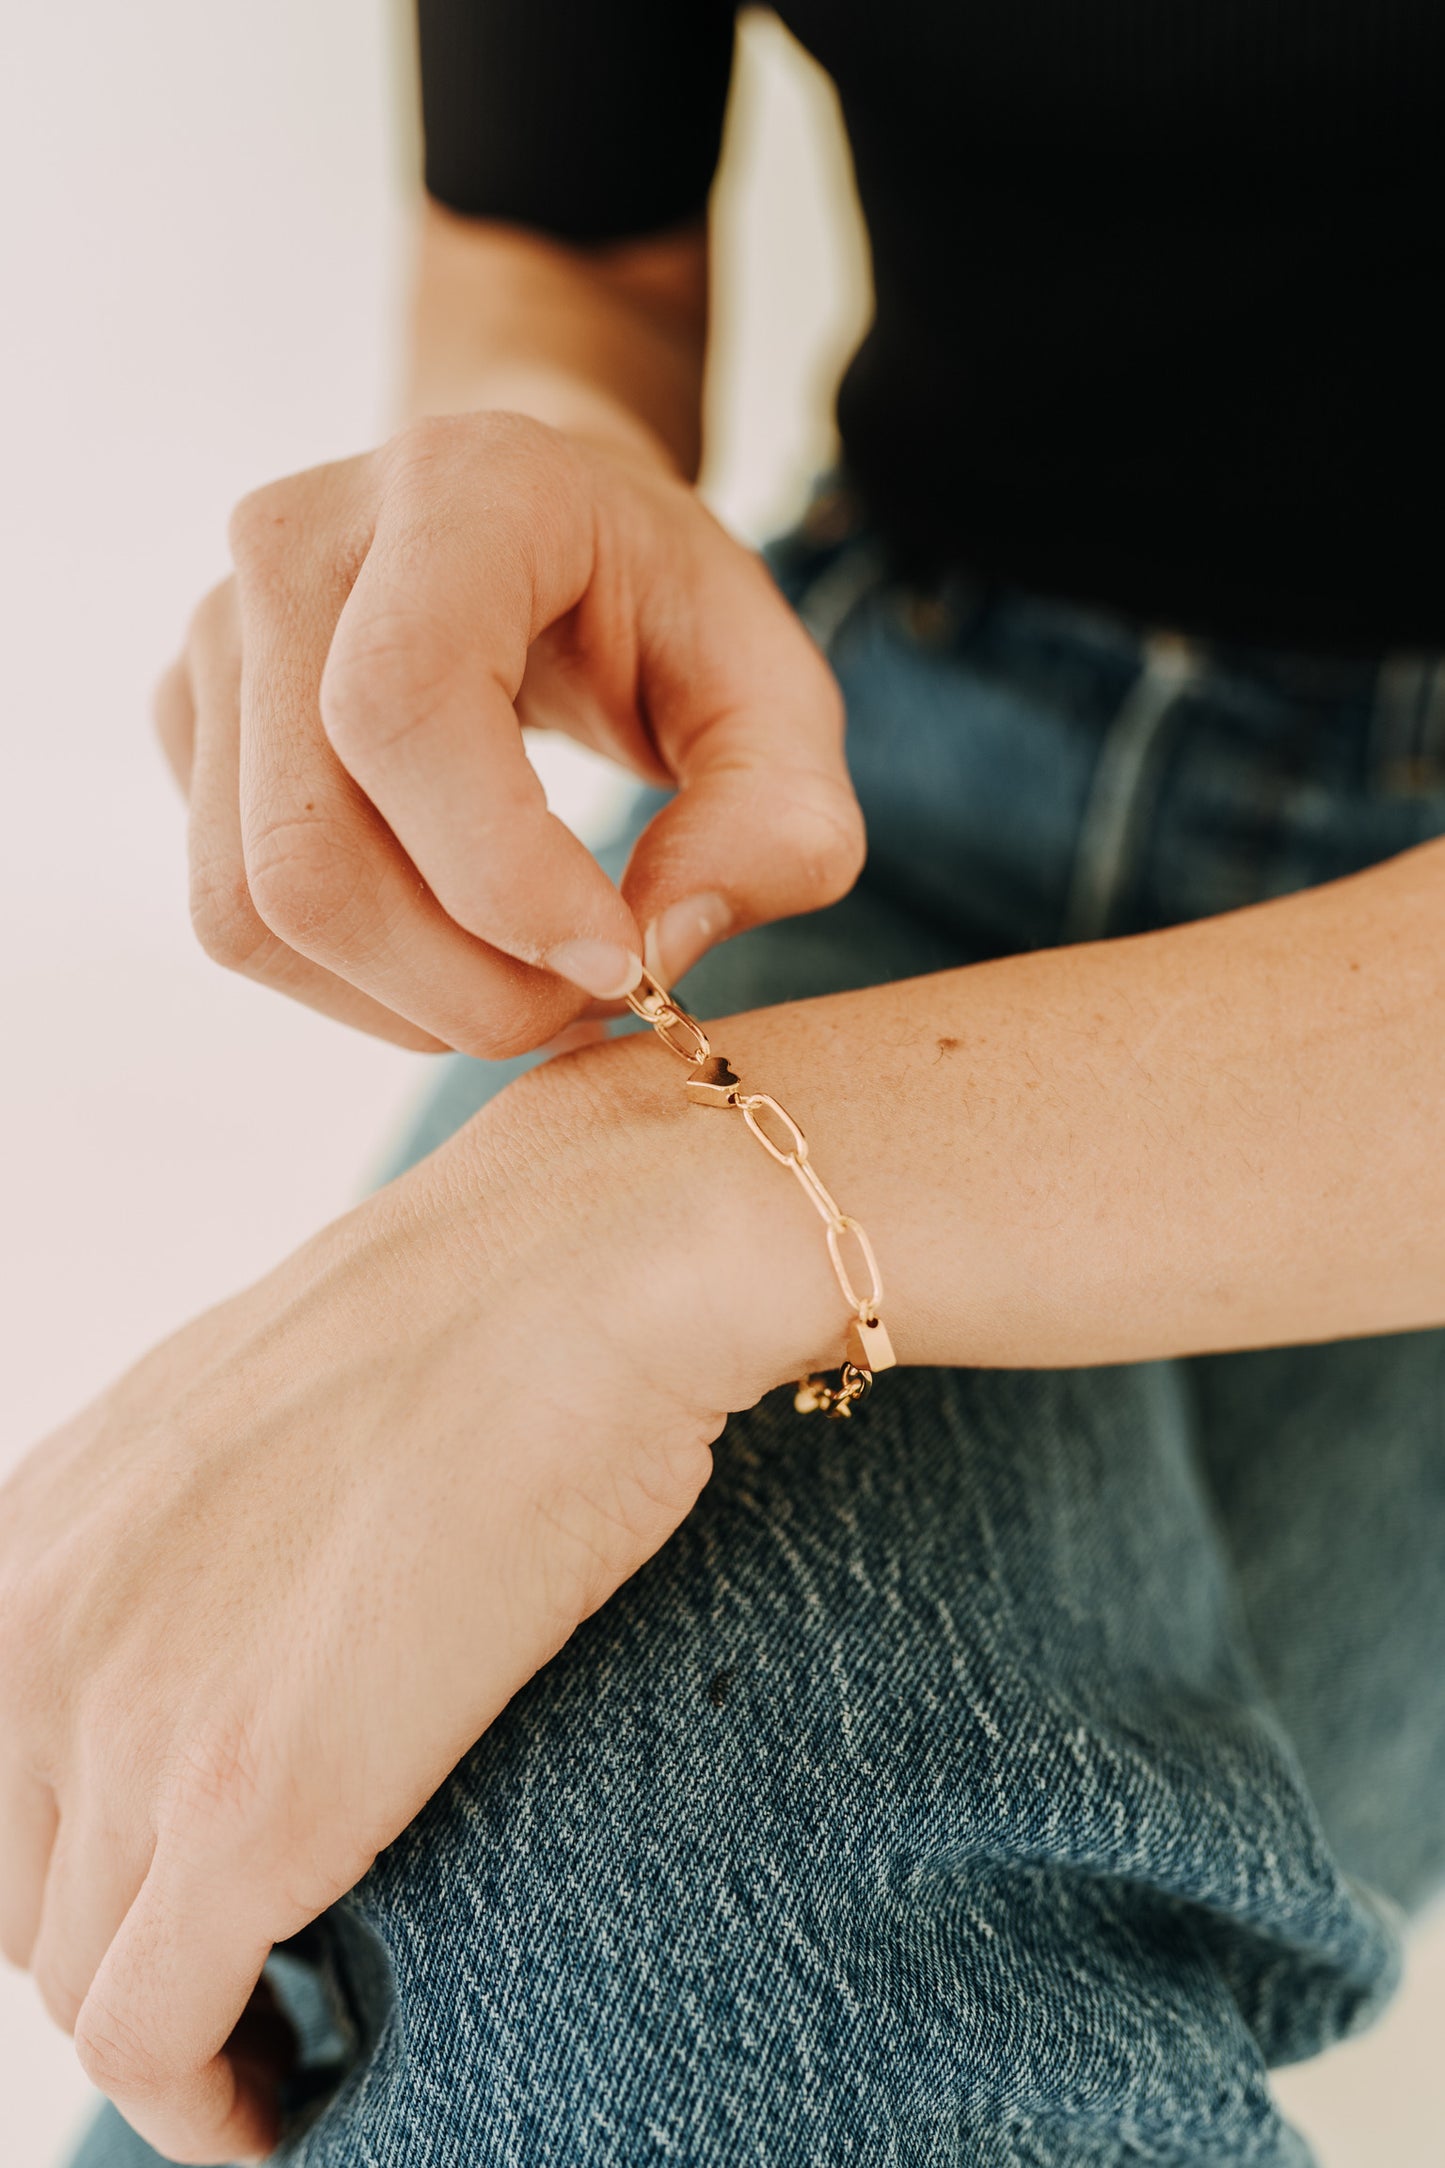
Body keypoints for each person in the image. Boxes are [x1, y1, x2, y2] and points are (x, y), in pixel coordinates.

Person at [3, 1, 1443, 2161]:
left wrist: (646, 1223)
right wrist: (522, 476)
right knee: (490, 1881)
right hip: (864, 773)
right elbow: (570, 250)